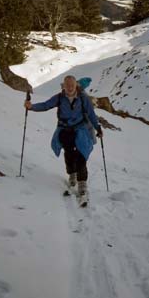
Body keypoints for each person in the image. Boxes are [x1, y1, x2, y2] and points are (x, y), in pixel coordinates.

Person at [25, 75, 102, 205]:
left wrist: (98, 128)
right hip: (65, 130)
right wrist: (31, 107)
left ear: (76, 85)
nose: (70, 88)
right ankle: (72, 175)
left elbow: (91, 114)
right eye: (67, 85)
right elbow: (45, 105)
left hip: (81, 130)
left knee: (81, 156)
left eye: (72, 85)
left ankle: (82, 183)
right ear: (64, 86)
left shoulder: (83, 98)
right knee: (69, 154)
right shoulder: (59, 98)